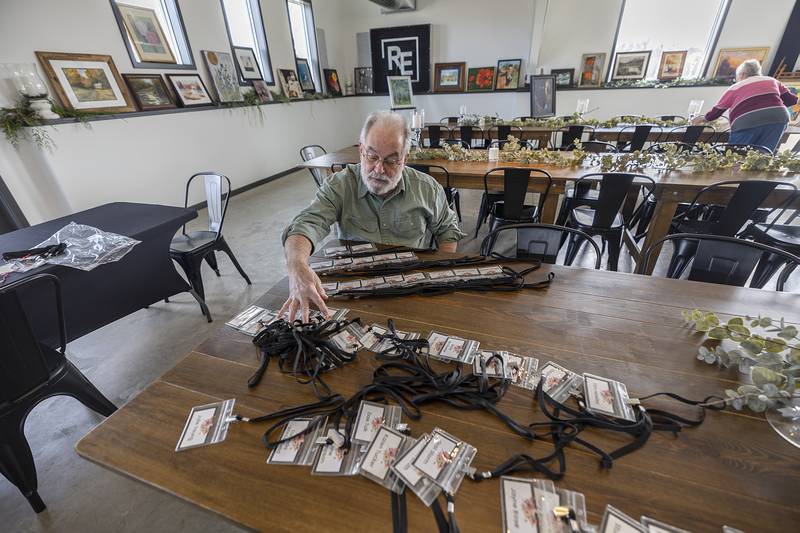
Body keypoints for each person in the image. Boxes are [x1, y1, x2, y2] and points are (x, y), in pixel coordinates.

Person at [280, 111, 464, 320]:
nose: (379, 169)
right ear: (361, 150)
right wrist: (296, 265)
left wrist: (439, 274)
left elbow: (448, 230)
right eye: (372, 156)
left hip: (411, 287)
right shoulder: (340, 186)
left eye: (391, 161)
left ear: (404, 158)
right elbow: (307, 224)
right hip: (354, 286)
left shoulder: (427, 188)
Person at [692, 59, 798, 151]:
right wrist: (770, 104)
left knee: (736, 156)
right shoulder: (772, 81)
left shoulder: (735, 87)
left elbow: (717, 111)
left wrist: (703, 118)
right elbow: (791, 100)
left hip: (747, 122)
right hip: (778, 119)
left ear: (742, 75)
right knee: (763, 156)